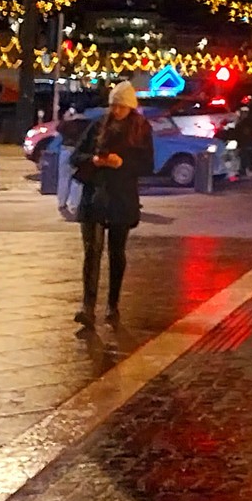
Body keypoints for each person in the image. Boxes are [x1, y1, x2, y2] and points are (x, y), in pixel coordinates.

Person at [69, 82, 153, 329]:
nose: (116, 110)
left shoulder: (140, 129)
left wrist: (122, 163)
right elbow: (76, 156)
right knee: (91, 251)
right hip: (95, 195)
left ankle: (112, 306)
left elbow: (148, 164)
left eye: (121, 106)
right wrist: (94, 160)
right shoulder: (98, 125)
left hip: (121, 197)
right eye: (113, 105)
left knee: (117, 253)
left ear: (130, 107)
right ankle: (87, 307)